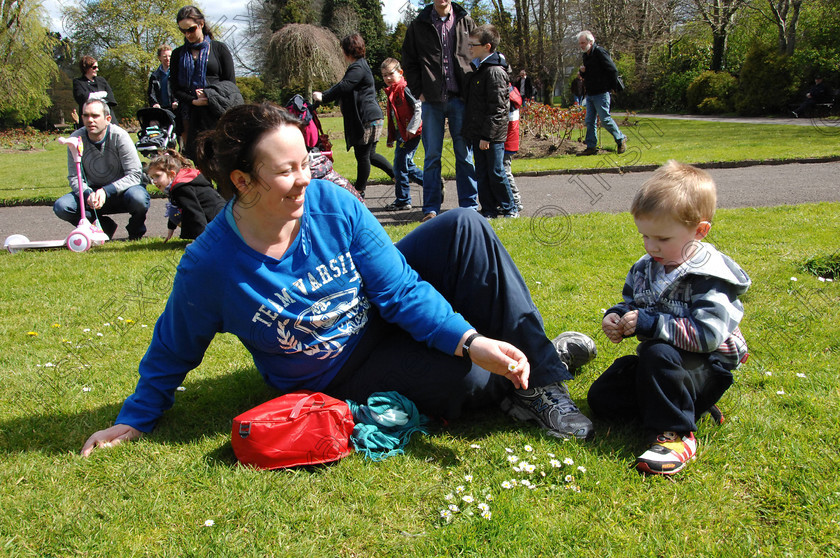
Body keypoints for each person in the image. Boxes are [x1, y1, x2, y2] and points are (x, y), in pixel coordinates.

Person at [80, 102, 595, 457]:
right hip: (336, 373)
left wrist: (469, 339)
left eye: (306, 163)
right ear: (242, 181)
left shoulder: (331, 203)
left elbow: (399, 291)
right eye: (286, 171)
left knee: (465, 226)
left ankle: (542, 378)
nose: (305, 178)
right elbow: (173, 347)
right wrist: (136, 417)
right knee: (469, 379)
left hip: (377, 313)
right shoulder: (210, 265)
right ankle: (524, 364)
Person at [588, 161, 750, 475]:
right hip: (665, 366)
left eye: (662, 239)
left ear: (699, 231)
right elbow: (634, 301)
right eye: (645, 237)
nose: (651, 247)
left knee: (656, 352)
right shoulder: (647, 265)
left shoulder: (710, 278)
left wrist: (649, 323)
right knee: (604, 398)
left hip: (706, 368)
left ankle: (676, 434)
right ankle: (682, 404)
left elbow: (707, 336)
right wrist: (618, 315)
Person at [402, 0, 478, 222]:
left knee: (464, 155)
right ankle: (431, 209)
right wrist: (419, 91)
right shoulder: (419, 24)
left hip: (459, 99)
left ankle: (469, 206)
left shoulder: (465, 21)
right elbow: (409, 59)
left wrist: (471, 88)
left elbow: (476, 54)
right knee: (432, 156)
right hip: (431, 101)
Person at [53, 99, 150, 240]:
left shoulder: (120, 136)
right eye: (86, 116)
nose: (90, 120)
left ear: (108, 119)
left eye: (95, 116)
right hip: (92, 193)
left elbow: (135, 174)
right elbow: (75, 177)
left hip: (123, 191)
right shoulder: (75, 139)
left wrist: (106, 191)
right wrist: (87, 193)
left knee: (139, 198)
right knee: (62, 206)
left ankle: (135, 233)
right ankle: (103, 228)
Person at [313, 34, 394, 199]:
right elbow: (345, 86)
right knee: (370, 155)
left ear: (346, 50)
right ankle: (398, 176)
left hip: (366, 118)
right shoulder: (361, 66)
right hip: (373, 116)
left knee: (362, 156)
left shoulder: (357, 67)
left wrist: (323, 96)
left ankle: (359, 192)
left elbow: (344, 86)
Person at [464, 24, 517, 219]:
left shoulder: (494, 71)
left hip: (491, 135)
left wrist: (487, 135)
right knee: (483, 173)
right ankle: (489, 210)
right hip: (480, 132)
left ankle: (509, 207)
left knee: (495, 172)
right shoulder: (480, 69)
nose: (470, 48)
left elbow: (498, 108)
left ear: (487, 46)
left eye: (473, 44)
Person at [171, 5, 237, 161]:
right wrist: (193, 101)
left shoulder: (219, 49)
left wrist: (210, 96)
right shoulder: (177, 54)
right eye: (183, 31)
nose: (188, 34)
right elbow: (175, 88)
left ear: (201, 24)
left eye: (191, 29)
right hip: (190, 114)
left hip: (217, 111)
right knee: (198, 159)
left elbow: (230, 85)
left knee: (222, 158)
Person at [146, 149, 225, 241]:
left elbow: (194, 213)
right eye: (152, 178)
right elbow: (174, 206)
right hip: (222, 220)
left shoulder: (182, 188)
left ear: (172, 174)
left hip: (220, 223)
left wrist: (201, 241)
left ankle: (208, 238)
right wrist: (171, 228)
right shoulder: (181, 183)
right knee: (176, 211)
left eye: (157, 176)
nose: (154, 181)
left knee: (185, 213)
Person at [381, 57, 424, 211]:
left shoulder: (404, 88)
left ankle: (403, 200)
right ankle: (432, 183)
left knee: (400, 165)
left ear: (400, 72)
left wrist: (412, 128)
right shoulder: (392, 91)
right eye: (384, 75)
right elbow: (394, 117)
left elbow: (418, 107)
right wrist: (391, 137)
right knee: (406, 165)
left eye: (390, 74)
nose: (387, 78)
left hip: (411, 133)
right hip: (402, 134)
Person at [577, 30, 627, 156]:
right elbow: (590, 74)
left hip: (601, 92)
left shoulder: (599, 52)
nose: (581, 45)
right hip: (590, 93)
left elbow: (613, 70)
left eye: (583, 43)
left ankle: (620, 139)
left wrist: (611, 86)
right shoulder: (586, 56)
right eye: (580, 43)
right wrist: (583, 72)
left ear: (590, 41)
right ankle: (591, 146)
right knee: (589, 121)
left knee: (605, 119)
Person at [72, 56, 118, 127]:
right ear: (86, 68)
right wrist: (102, 95)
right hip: (89, 121)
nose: (97, 69)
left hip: (106, 118)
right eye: (94, 67)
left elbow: (110, 97)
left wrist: (92, 97)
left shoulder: (101, 80)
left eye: (97, 67)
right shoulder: (78, 82)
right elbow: (82, 98)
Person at [504, 82, 523, 213]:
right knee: (504, 170)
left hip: (506, 142)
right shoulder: (513, 93)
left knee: (504, 172)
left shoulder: (507, 98)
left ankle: (516, 200)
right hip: (510, 141)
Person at [147, 44, 178, 111]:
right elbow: (151, 93)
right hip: (161, 110)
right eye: (164, 56)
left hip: (176, 109)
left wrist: (177, 101)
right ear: (159, 57)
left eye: (170, 56)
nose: (168, 59)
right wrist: (154, 103)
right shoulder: (154, 75)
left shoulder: (178, 73)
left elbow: (182, 89)